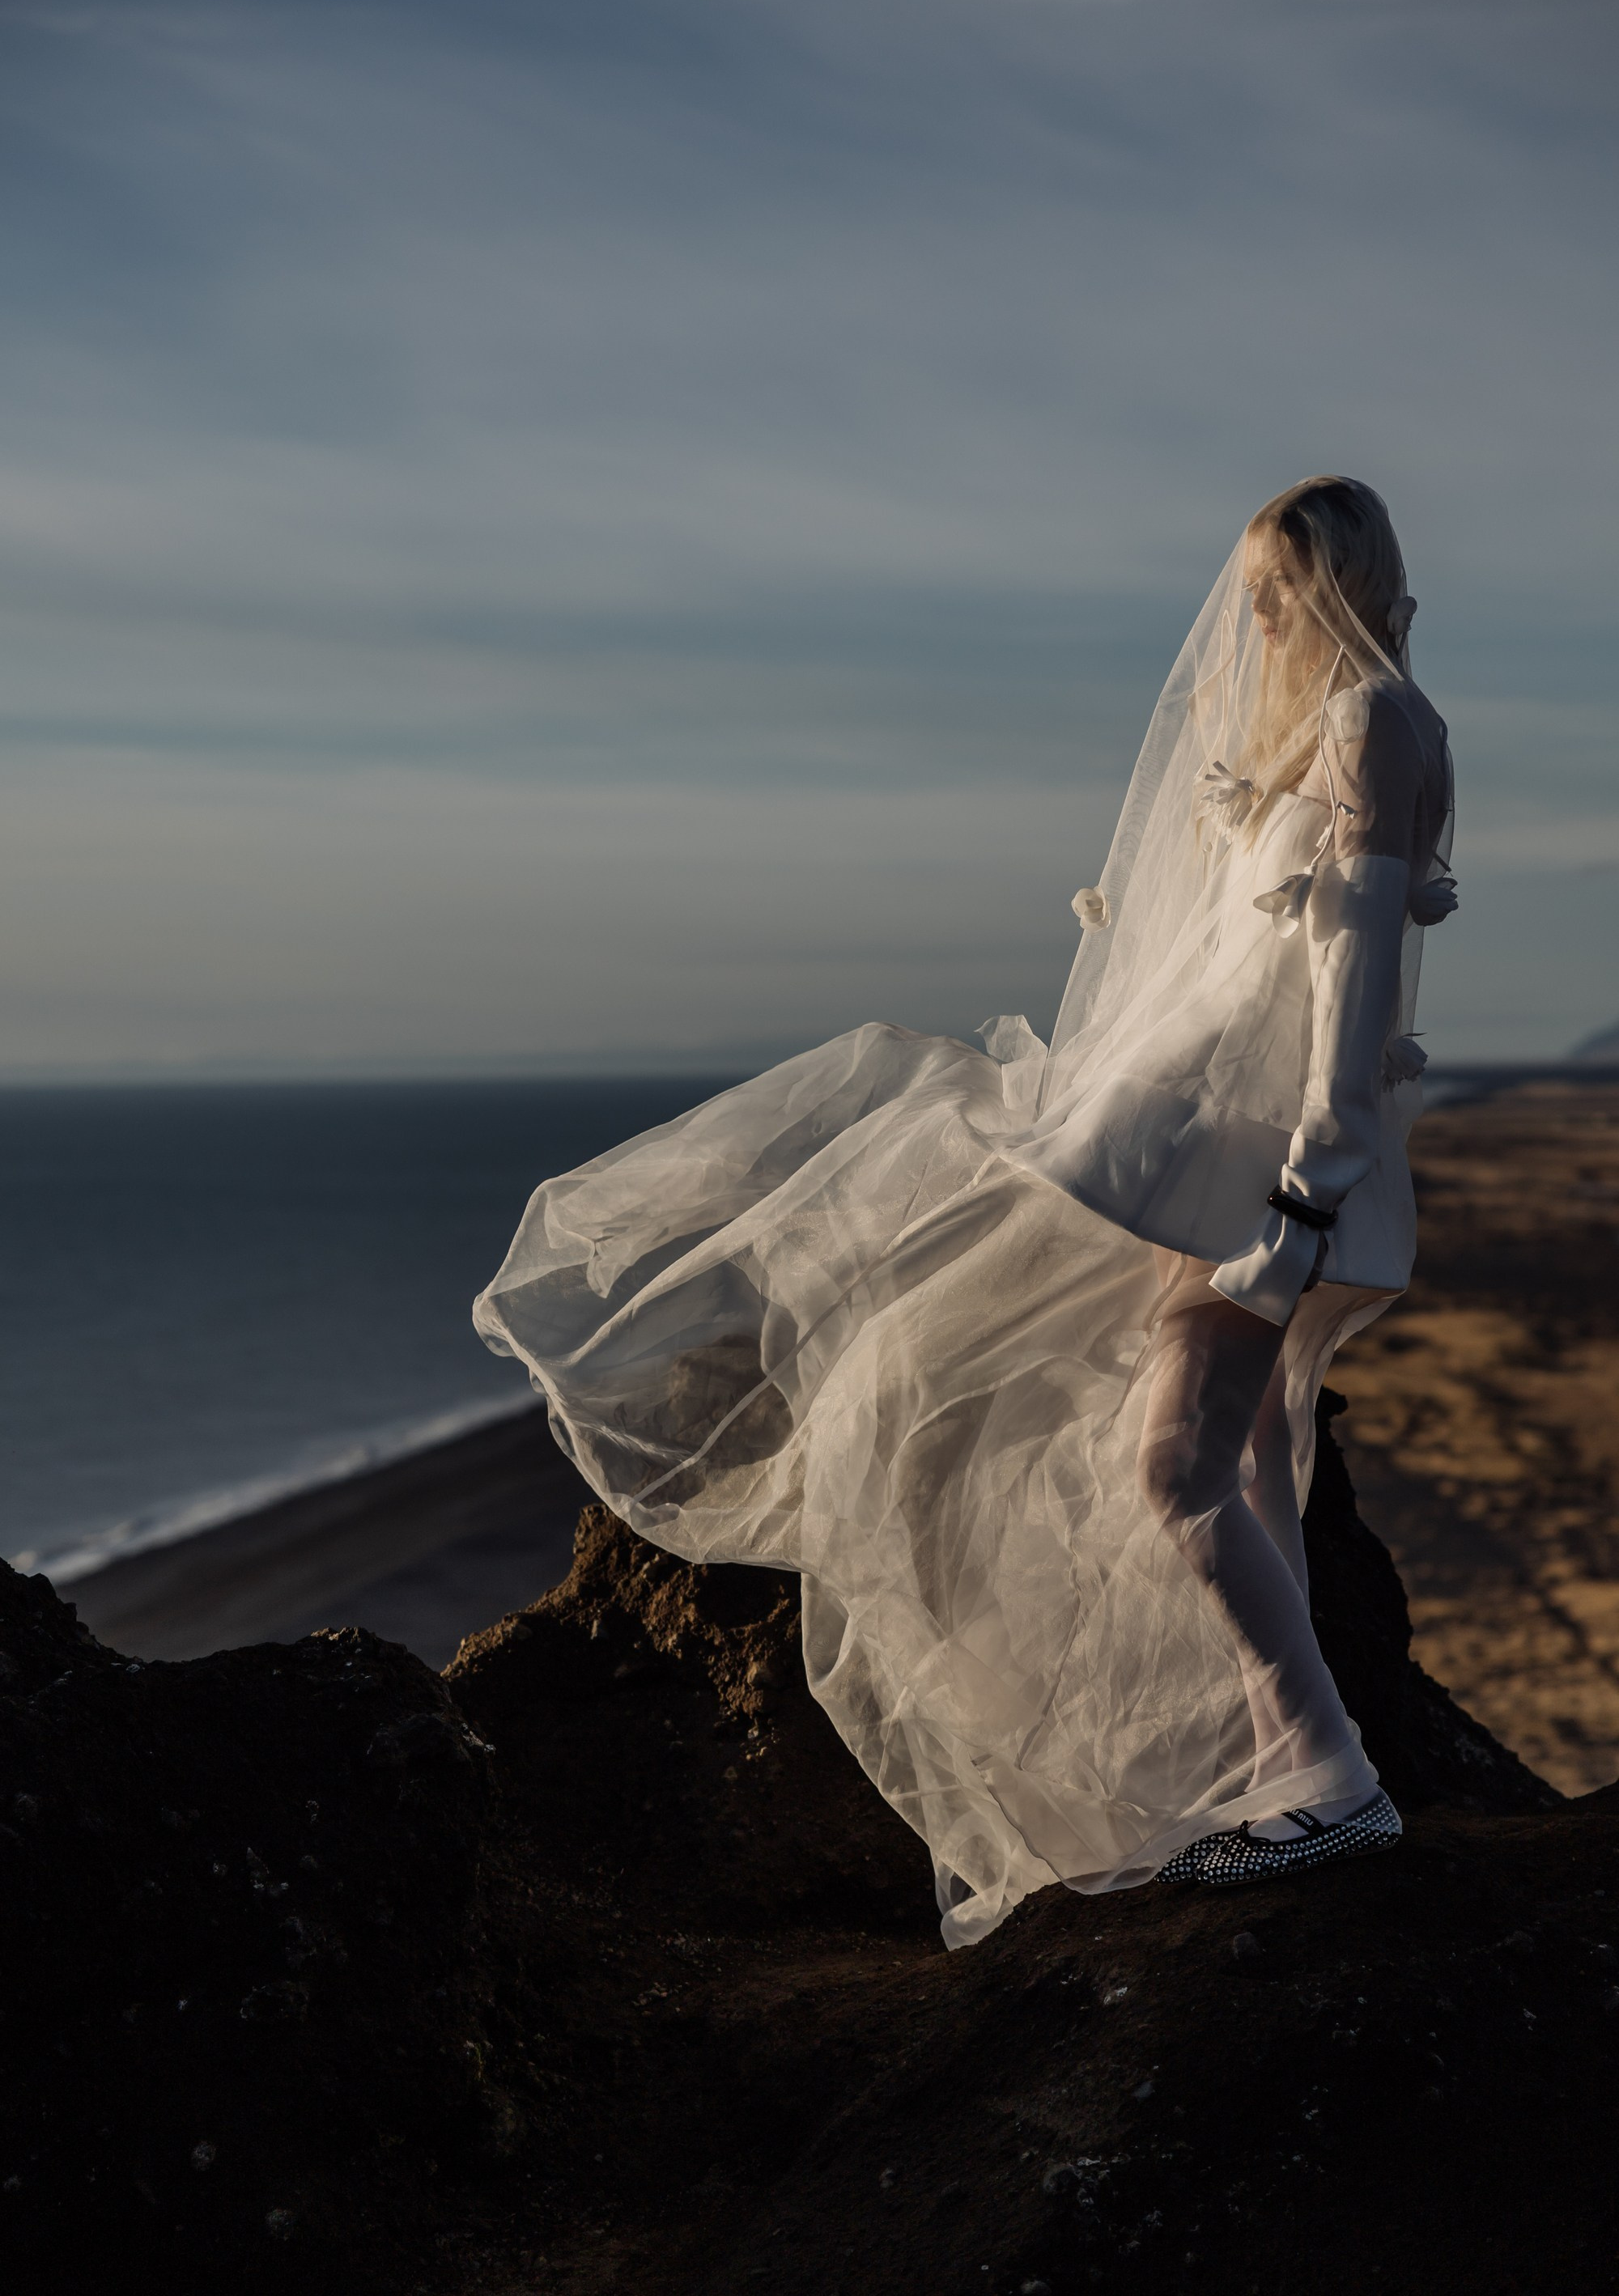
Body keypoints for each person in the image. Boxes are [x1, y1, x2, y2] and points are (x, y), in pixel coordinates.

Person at [476, 475, 1455, 1945]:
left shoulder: (1378, 727)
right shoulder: (1333, 734)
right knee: (1248, 1451)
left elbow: (1356, 978)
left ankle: (1331, 1777)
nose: (1250, 619)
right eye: (1249, 588)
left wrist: (1311, 1187)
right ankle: (1294, 1767)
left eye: (1275, 590)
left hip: (1279, 1174)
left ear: (1336, 583)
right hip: (1241, 1164)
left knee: (1178, 1464)